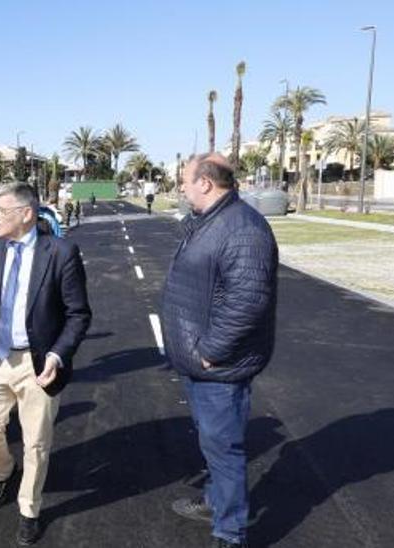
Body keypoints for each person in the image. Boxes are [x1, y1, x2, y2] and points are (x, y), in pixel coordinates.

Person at [0, 182, 91, 545]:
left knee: (36, 443)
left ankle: (29, 508)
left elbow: (78, 314)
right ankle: (3, 472)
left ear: (26, 214)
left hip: (39, 365)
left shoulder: (61, 252)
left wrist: (58, 355)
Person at [162, 154, 278, 548]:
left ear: (206, 183)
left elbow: (248, 301)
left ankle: (230, 533)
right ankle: (216, 500)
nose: (181, 186)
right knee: (213, 443)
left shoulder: (243, 229)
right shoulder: (208, 220)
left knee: (224, 448)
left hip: (219, 366)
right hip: (200, 363)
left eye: (185, 180)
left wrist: (210, 351)